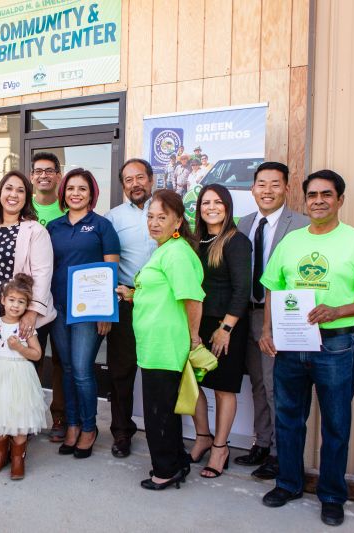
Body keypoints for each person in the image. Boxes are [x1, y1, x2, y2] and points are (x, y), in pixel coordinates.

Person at [259, 170, 354, 527]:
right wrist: (267, 330)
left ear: (340, 200)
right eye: (313, 194)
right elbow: (273, 285)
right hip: (290, 345)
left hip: (336, 345)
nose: (318, 200)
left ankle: (332, 495)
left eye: (327, 194)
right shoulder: (291, 242)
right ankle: (288, 483)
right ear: (304, 199)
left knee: (335, 424)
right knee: (288, 419)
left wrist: (338, 311)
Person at [234, 162, 308, 480]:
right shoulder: (245, 222)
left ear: (287, 189)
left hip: (279, 315)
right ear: (252, 189)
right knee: (257, 383)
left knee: (276, 385)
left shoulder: (301, 225)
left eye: (275, 184)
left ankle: (281, 453)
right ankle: (262, 443)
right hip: (246, 312)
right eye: (261, 184)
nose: (267, 190)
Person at [126, 189, 203, 490]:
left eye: (162, 217)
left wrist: (194, 338)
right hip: (154, 344)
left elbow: (193, 299)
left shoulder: (176, 252)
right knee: (165, 410)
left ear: (178, 220)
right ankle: (178, 462)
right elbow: (162, 293)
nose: (154, 223)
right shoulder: (165, 249)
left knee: (159, 412)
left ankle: (166, 470)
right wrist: (134, 294)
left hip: (166, 345)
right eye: (150, 217)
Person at [47, 168, 120, 459]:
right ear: (63, 192)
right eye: (71, 188)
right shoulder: (53, 226)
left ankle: (89, 428)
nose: (76, 193)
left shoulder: (102, 226)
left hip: (89, 313)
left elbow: (111, 272)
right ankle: (73, 425)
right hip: (58, 309)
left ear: (92, 194)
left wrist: (107, 313)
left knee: (81, 370)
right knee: (65, 369)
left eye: (83, 189)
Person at [189, 184, 252, 479]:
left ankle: (220, 446)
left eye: (217, 202)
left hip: (226, 325)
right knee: (193, 384)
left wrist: (225, 328)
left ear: (227, 206)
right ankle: (202, 436)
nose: (210, 207)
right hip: (195, 323)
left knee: (224, 388)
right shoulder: (193, 240)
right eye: (205, 203)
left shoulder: (236, 241)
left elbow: (242, 289)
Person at [103, 158, 156, 458]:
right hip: (126, 305)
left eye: (140, 178)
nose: (135, 184)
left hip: (161, 307)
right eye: (128, 180)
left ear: (151, 180)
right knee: (121, 374)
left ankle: (160, 431)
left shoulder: (168, 211)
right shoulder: (112, 217)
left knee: (157, 374)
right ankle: (122, 433)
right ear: (123, 185)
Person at [0, 274, 47, 480]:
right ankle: (0, 454)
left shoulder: (25, 328)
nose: (16, 306)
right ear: (3, 300)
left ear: (27, 305)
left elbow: (37, 354)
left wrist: (19, 347)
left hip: (19, 375)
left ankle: (18, 458)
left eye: (21, 302)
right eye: (12, 300)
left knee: (19, 414)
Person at [0, 170, 56, 336]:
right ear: (0, 193)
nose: (13, 195)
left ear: (26, 197)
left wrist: (32, 312)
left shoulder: (36, 230)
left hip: (22, 310)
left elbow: (43, 275)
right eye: (8, 188)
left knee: (21, 361)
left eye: (20, 190)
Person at [29, 152, 67, 443]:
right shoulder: (21, 207)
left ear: (58, 176)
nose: (44, 175)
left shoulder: (68, 208)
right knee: (30, 360)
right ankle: (26, 417)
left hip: (64, 298)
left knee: (61, 362)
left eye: (49, 171)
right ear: (32, 176)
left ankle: (60, 417)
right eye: (39, 170)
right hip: (30, 301)